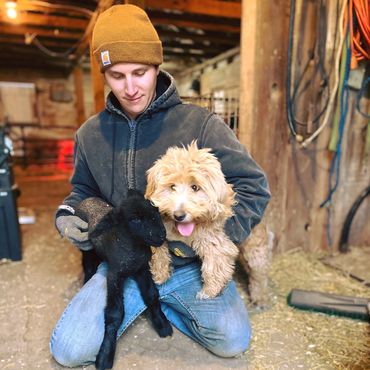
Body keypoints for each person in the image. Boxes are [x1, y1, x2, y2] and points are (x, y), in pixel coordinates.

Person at [51, 4, 270, 367]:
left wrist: (213, 238)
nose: (131, 87)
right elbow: (82, 191)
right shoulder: (90, 134)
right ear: (104, 74)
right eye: (117, 75)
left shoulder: (200, 124)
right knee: (70, 350)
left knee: (233, 341)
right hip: (130, 261)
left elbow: (254, 186)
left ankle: (167, 300)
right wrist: (68, 214)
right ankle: (149, 299)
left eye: (140, 72)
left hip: (192, 262)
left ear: (157, 66)